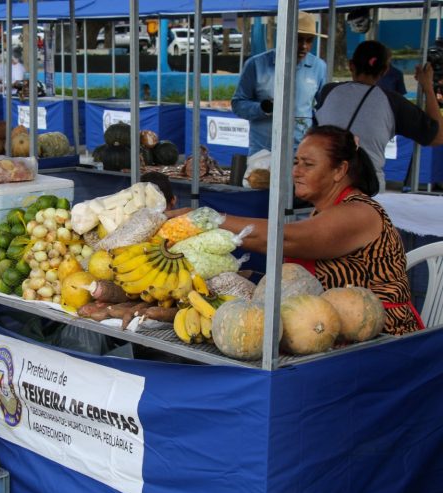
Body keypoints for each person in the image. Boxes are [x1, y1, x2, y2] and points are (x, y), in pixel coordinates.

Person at [169, 125, 422, 336]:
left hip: (381, 338)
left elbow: (283, 239)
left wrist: (207, 220)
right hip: (325, 327)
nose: (296, 171)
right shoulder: (322, 210)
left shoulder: (358, 213)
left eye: (308, 164)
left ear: (340, 170)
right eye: (296, 162)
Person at [315, 40, 443, 191]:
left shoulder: (328, 92)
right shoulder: (392, 102)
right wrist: (427, 87)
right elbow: (437, 137)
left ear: (351, 65)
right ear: (385, 70)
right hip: (367, 189)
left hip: (326, 184)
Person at [231, 11, 327, 156]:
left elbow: (324, 108)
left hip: (300, 153)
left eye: (309, 40)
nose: (304, 46)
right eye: (299, 39)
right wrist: (263, 108)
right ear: (285, 36)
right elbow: (238, 104)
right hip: (263, 151)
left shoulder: (318, 67)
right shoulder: (256, 65)